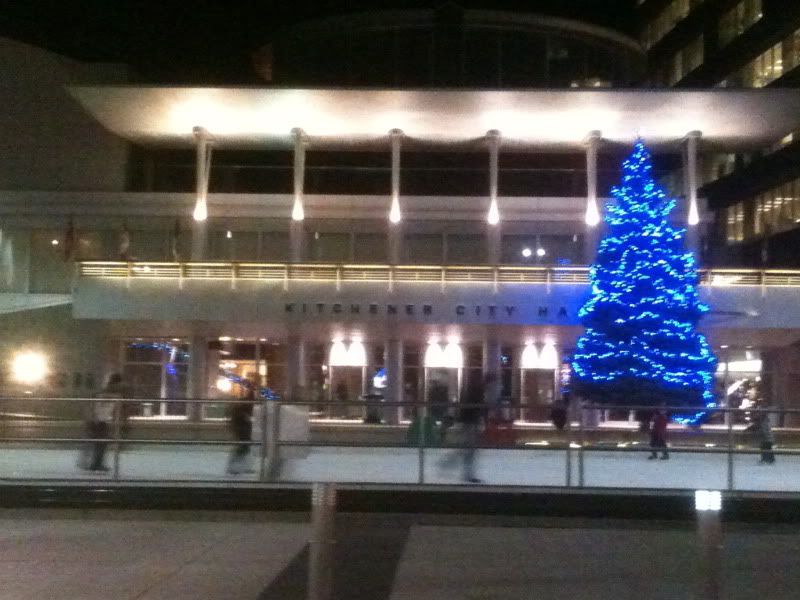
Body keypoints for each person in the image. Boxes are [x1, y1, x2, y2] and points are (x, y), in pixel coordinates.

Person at [84, 373, 123, 471]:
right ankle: (96, 464)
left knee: (101, 444)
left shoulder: (111, 393)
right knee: (100, 443)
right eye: (119, 384)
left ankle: (96, 463)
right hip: (99, 421)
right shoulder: (108, 393)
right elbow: (98, 405)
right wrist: (94, 418)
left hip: (102, 420)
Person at [458, 371, 490, 483]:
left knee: (469, 449)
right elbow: (476, 408)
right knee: (470, 449)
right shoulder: (477, 391)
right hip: (470, 422)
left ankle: (468, 473)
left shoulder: (472, 390)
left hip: (469, 421)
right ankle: (468, 474)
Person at [227, 381, 256, 474]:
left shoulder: (247, 400)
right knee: (243, 446)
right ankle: (234, 466)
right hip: (241, 426)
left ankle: (238, 466)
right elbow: (239, 412)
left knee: (244, 446)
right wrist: (245, 417)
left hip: (242, 426)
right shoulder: (246, 401)